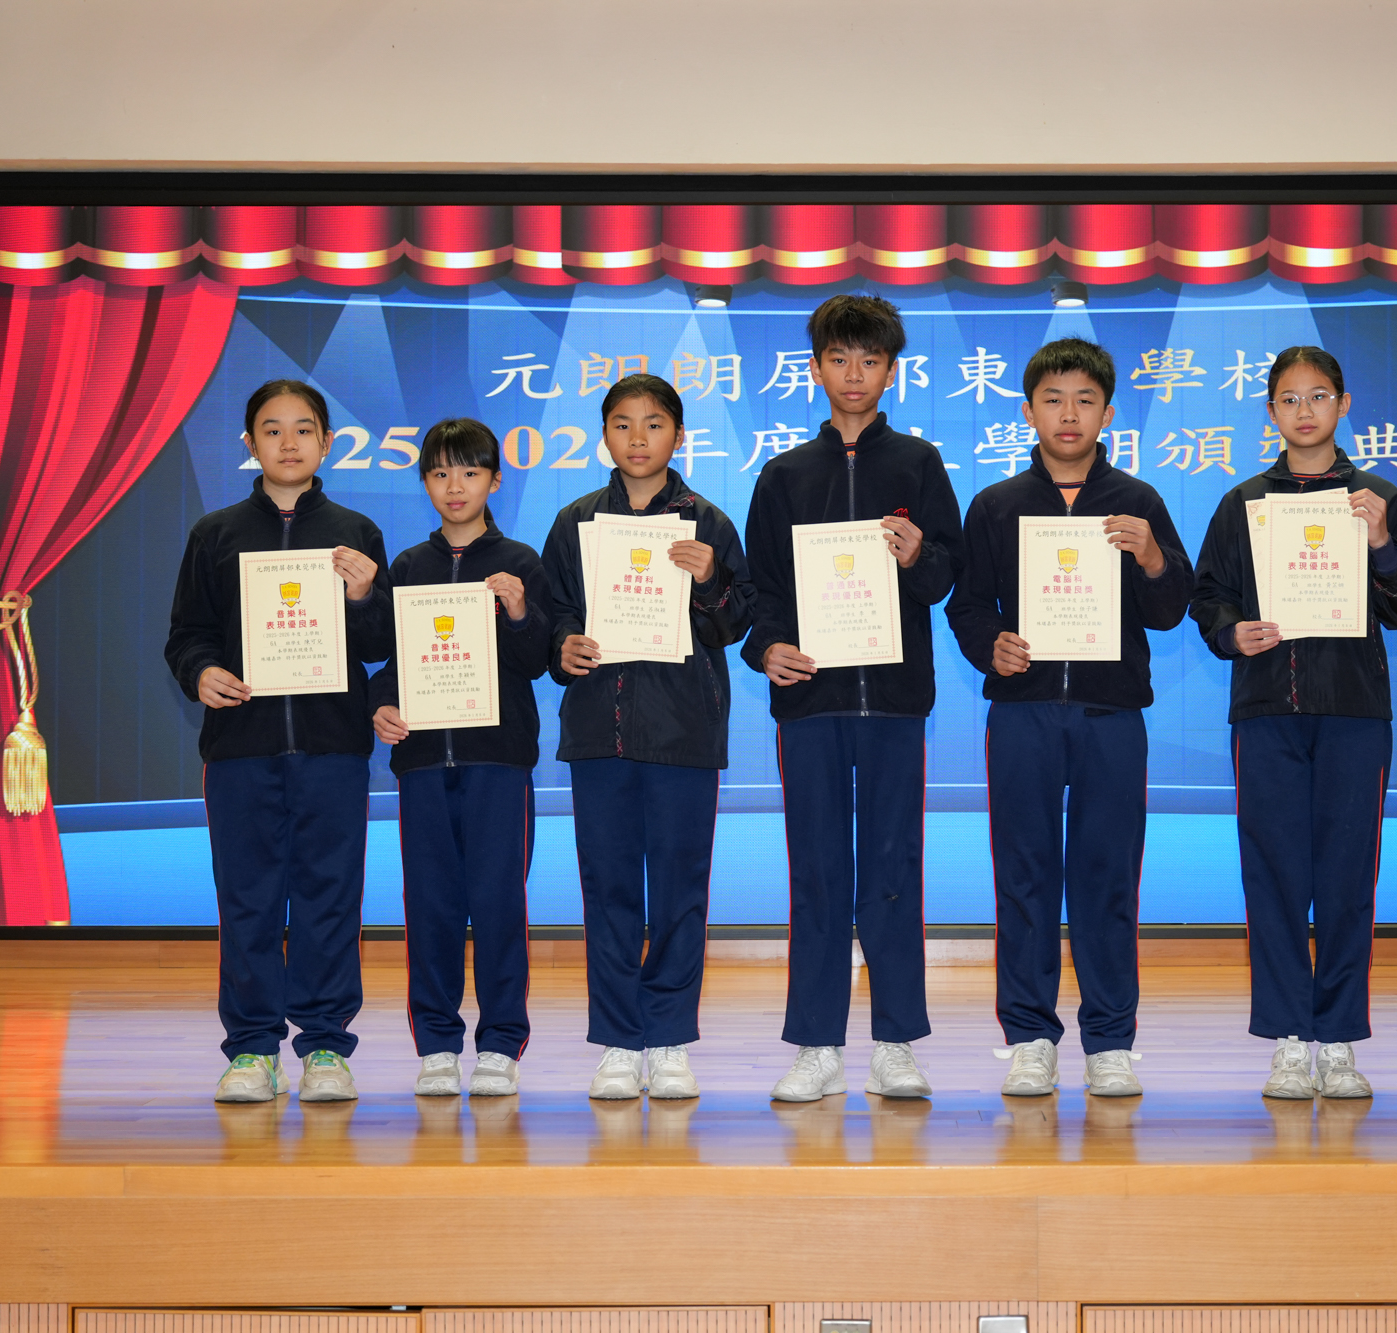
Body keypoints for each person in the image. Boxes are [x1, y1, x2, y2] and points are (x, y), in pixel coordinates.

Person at [945, 337, 1191, 1098]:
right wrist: (992, 645)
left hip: (1111, 714)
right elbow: (967, 606)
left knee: (1108, 875)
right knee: (1023, 875)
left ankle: (1110, 1040)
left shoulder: (1139, 502)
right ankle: (1029, 1037)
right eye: (1053, 400)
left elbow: (1170, 608)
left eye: (1085, 400)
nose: (1069, 414)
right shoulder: (996, 504)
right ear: (1029, 412)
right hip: (1023, 715)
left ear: (1108, 413)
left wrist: (1153, 558)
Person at [740, 294, 963, 1103]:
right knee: (818, 871)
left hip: (895, 701)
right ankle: (817, 1044)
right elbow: (760, 592)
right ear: (815, 368)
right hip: (812, 702)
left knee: (895, 866)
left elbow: (948, 576)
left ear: (891, 371)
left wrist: (919, 554)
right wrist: (766, 648)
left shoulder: (919, 464)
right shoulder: (784, 474)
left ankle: (896, 1042)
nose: (854, 374)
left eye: (870, 360)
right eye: (839, 359)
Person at [1189, 346, 1397, 1100]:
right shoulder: (1243, 504)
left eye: (1318, 396)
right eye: (1289, 399)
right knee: (1274, 876)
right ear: (1270, 412)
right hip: (1267, 711)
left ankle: (1341, 1037)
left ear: (1344, 404)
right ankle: (1290, 1037)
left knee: (1350, 876)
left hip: (1355, 712)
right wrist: (1232, 632)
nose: (1304, 411)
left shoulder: (1378, 498)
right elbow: (1208, 596)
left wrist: (1383, 545)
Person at [164, 379, 391, 1104]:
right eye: (271, 429)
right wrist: (201, 672)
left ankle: (325, 1044)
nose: (288, 443)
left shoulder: (357, 532)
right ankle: (253, 1048)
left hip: (332, 746)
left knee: (331, 895)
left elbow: (379, 645)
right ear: (249, 443)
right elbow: (187, 634)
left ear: (327, 442)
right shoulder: (216, 533)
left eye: (303, 429)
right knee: (248, 898)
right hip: (242, 746)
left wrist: (365, 595)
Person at [543, 374, 754, 1101]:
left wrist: (711, 578)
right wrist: (563, 644)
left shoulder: (708, 522)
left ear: (680, 436)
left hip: (683, 733)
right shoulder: (575, 521)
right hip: (598, 733)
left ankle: (667, 1037)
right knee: (606, 890)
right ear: (604, 434)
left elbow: (736, 622)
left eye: (655, 424)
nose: (639, 438)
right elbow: (554, 615)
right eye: (623, 424)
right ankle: (617, 1039)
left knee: (678, 891)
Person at [369, 418, 556, 1099]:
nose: (455, 486)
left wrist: (520, 613)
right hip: (422, 762)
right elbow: (394, 662)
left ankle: (501, 1044)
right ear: (425, 482)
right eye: (441, 473)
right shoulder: (407, 568)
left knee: (500, 904)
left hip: (498, 762)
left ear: (494, 481)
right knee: (431, 906)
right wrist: (380, 706)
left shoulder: (521, 562)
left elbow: (538, 661)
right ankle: (438, 1044)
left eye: (470, 472)